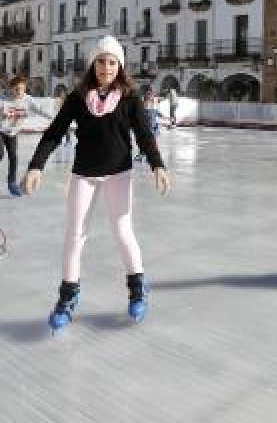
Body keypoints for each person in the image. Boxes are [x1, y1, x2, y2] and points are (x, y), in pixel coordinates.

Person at [23, 36, 170, 331]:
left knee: (122, 231)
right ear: (93, 64)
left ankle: (138, 288)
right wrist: (36, 165)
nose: (106, 67)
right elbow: (54, 132)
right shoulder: (79, 97)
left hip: (119, 173)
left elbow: (144, 134)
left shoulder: (130, 97)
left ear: (120, 66)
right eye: (101, 61)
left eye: (112, 62)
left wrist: (157, 164)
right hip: (84, 174)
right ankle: (67, 298)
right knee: (74, 235)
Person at [0, 75, 51, 196]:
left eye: (22, 89)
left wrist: (56, 119)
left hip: (12, 132)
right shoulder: (1, 100)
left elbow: (40, 110)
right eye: (16, 89)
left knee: (13, 157)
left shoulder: (28, 100)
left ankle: (12, 184)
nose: (19, 92)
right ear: (11, 88)